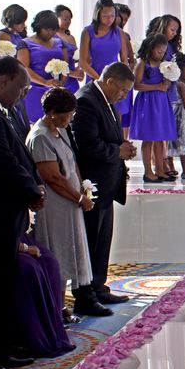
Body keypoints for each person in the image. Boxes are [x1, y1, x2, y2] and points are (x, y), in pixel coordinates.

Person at [0, 57, 45, 369]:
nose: (23, 94)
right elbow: (1, 162)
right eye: (21, 87)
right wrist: (32, 190)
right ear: (3, 81)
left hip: (1, 216)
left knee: (0, 288)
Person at [26, 88, 103, 317]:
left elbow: (72, 163)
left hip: (70, 202)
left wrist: (82, 188)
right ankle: (55, 309)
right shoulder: (40, 136)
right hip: (55, 206)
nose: (70, 118)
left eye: (72, 114)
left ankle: (61, 307)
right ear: (51, 112)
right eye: (66, 114)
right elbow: (52, 177)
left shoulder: (61, 130)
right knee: (57, 254)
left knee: (69, 254)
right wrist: (78, 197)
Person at [71, 62, 136, 314]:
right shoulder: (86, 101)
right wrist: (116, 151)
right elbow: (86, 145)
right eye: (122, 90)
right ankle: (85, 294)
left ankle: (99, 287)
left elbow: (108, 137)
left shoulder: (106, 100)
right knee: (90, 240)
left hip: (107, 184)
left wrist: (123, 151)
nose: (123, 96)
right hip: (92, 184)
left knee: (102, 240)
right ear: (110, 82)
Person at [80, 0, 131, 132]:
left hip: (116, 81)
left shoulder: (119, 32)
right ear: (98, 15)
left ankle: (118, 151)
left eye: (112, 15)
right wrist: (100, 80)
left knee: (115, 120)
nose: (109, 19)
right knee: (95, 117)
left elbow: (124, 60)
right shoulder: (87, 32)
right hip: (95, 78)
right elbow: (83, 62)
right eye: (105, 16)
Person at [131, 34, 178, 182]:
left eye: (163, 52)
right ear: (151, 48)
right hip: (147, 103)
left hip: (161, 102)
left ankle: (160, 169)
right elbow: (136, 85)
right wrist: (157, 86)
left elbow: (167, 83)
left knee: (160, 137)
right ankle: (148, 172)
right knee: (149, 138)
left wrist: (167, 82)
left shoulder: (164, 64)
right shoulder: (143, 63)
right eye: (159, 51)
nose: (161, 54)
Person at [146, 15, 183, 177]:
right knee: (157, 131)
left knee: (166, 129)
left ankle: (165, 160)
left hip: (169, 88)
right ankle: (159, 164)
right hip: (157, 90)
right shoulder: (155, 46)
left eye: (176, 30)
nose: (174, 33)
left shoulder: (171, 47)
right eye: (172, 29)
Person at [17, 10, 69, 123]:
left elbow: (66, 66)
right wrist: (45, 82)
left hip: (57, 91)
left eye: (53, 29)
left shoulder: (60, 42)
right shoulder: (25, 43)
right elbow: (24, 68)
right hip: (35, 91)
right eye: (47, 29)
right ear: (38, 27)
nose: (50, 32)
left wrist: (62, 81)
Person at [115, 3, 135, 136]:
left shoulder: (125, 35)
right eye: (122, 18)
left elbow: (131, 59)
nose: (124, 22)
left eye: (126, 19)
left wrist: (130, 68)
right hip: (111, 77)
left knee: (124, 113)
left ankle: (124, 144)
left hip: (123, 77)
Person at [55, 4, 84, 95]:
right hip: (59, 79)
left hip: (73, 81)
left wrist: (80, 71)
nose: (68, 21)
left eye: (70, 19)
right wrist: (73, 73)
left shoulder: (71, 37)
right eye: (65, 19)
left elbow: (76, 59)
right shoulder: (52, 37)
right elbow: (53, 63)